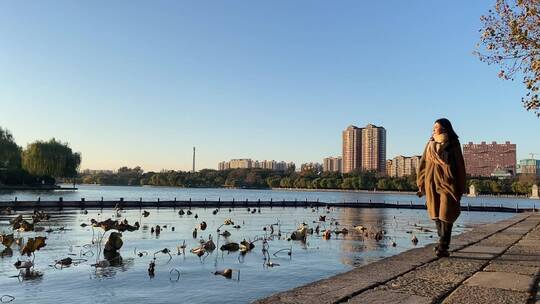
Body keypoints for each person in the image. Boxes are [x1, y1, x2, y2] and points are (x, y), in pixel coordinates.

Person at [416, 118, 466, 257]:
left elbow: (460, 166)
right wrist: (420, 182)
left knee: (446, 214)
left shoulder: (453, 144)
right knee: (436, 214)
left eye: (436, 127)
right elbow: (423, 165)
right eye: (432, 128)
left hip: (447, 183)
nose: (433, 130)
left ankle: (443, 246)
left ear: (444, 128)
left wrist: (461, 185)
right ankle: (442, 240)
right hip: (431, 182)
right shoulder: (429, 144)